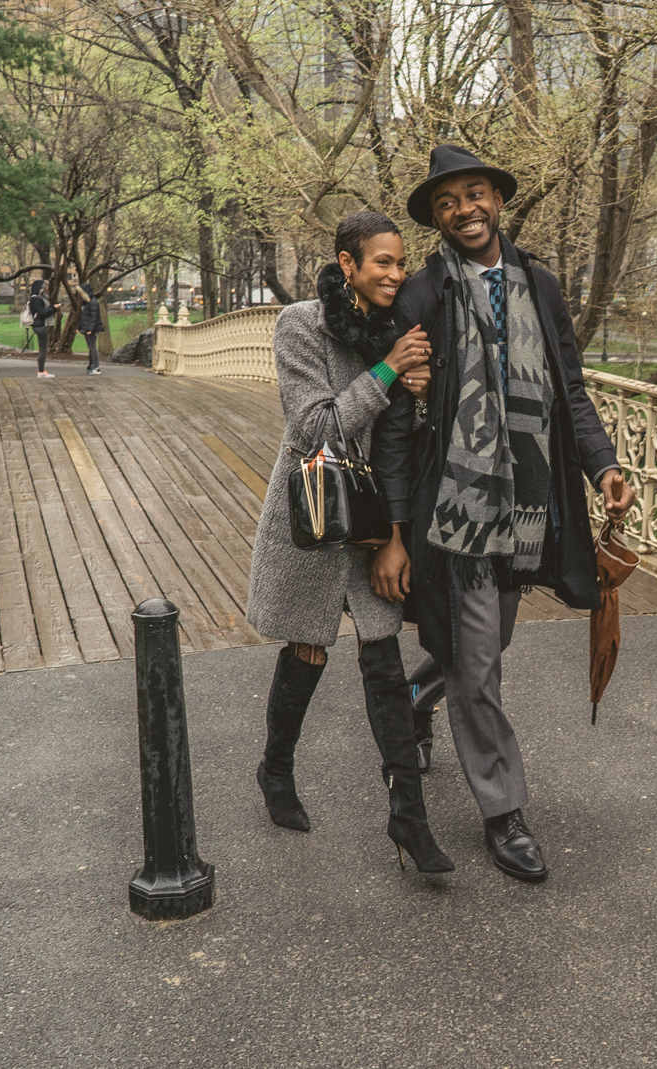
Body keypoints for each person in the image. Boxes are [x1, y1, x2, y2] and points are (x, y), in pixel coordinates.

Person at [374, 145, 636, 882]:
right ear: (437, 216)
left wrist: (605, 465)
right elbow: (396, 418)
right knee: (481, 663)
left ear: (496, 199)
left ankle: (419, 696)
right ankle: (503, 808)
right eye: (449, 201)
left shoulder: (541, 286)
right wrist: (395, 529)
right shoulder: (422, 293)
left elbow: (571, 390)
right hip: (454, 510)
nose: (465, 209)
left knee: (481, 650)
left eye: (475, 193)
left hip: (529, 504)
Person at [244, 210, 451, 873]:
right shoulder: (300, 324)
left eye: (401, 262)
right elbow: (315, 429)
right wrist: (390, 373)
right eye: (383, 262)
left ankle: (408, 817)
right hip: (313, 515)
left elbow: (407, 436)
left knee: (383, 655)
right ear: (347, 263)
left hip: (373, 520)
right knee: (307, 647)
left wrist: (417, 393)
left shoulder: (399, 329)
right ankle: (275, 769)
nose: (396, 273)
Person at [28, 279, 56, 378]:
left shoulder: (35, 298)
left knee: (42, 349)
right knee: (43, 349)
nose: (45, 289)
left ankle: (41, 370)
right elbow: (42, 313)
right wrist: (53, 308)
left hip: (38, 325)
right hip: (40, 325)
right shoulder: (36, 299)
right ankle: (40, 371)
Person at [77, 283, 104, 375]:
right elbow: (84, 317)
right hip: (87, 327)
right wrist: (79, 327)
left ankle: (95, 366)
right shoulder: (86, 303)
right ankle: (91, 365)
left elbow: (94, 317)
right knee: (91, 347)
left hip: (91, 328)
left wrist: (91, 329)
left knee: (92, 347)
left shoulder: (92, 303)